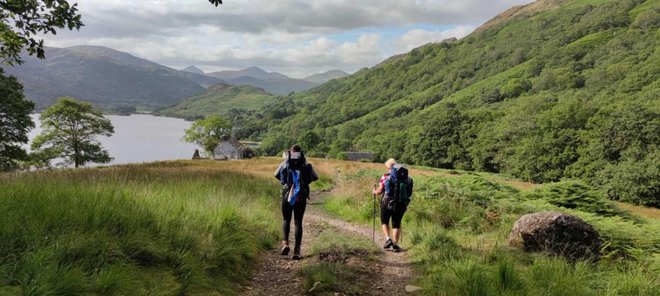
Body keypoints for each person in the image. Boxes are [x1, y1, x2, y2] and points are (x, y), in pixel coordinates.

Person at [274, 144, 318, 260]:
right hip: (301, 197)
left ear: (291, 152)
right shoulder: (307, 165)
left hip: (287, 195)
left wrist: (288, 183)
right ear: (301, 153)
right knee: (298, 222)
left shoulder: (285, 164)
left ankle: (285, 243)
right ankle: (297, 251)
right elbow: (314, 177)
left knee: (286, 219)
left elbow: (277, 175)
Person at [373, 158, 412, 252]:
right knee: (396, 224)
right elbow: (409, 193)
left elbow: (379, 191)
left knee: (384, 221)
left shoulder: (386, 176)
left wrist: (374, 191)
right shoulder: (408, 179)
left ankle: (388, 239)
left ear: (388, 167)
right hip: (401, 203)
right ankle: (395, 244)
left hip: (387, 202)